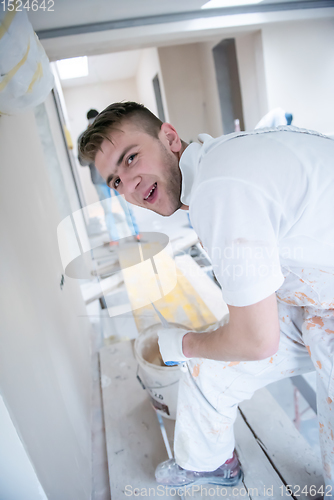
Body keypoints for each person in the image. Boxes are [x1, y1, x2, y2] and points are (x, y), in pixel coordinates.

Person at [79, 102, 334, 493]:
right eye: (115, 181)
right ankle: (209, 463)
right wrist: (199, 348)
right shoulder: (216, 163)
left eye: (130, 158)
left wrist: (182, 343)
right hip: (317, 293)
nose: (128, 185)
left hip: (323, 299)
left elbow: (257, 340)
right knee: (208, 367)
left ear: (169, 137)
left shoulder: (219, 188)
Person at [78, 109, 140, 246]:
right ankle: (114, 239)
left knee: (127, 205)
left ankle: (136, 233)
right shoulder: (83, 138)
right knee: (108, 210)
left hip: (116, 177)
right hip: (99, 182)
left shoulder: (107, 133)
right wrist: (91, 152)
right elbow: (82, 162)